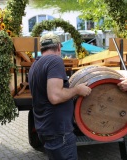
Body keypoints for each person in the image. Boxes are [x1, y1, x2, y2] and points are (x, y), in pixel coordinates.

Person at [28, 32, 92, 160]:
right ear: (58, 46)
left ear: (42, 48)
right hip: (58, 131)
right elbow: (55, 96)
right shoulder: (54, 60)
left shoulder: (35, 65)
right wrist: (77, 90)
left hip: (46, 128)